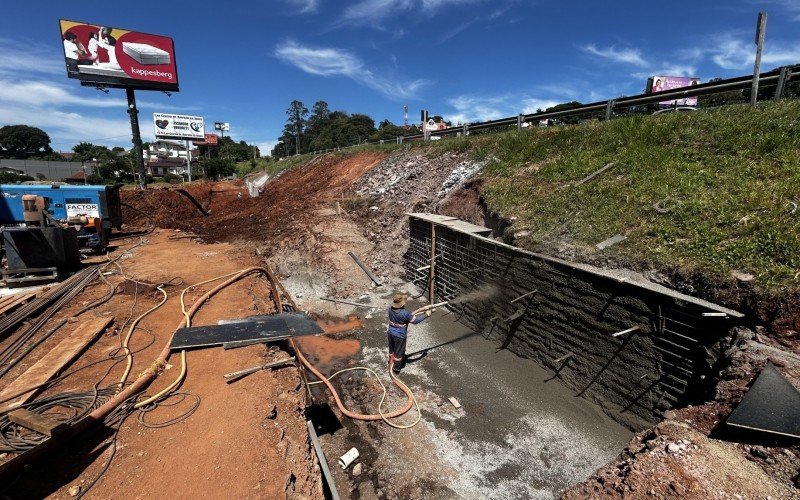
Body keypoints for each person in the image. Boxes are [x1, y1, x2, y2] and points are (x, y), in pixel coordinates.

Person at [387, 294, 430, 374]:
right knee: (398, 353)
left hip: (390, 333)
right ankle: (396, 369)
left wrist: (421, 310)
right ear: (402, 304)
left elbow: (409, 316)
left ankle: (391, 361)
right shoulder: (404, 313)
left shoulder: (390, 308)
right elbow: (416, 320)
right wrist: (426, 315)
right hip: (399, 336)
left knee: (392, 349)